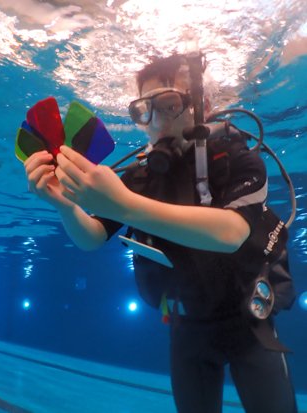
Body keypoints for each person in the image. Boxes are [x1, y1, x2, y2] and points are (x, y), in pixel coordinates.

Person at [24, 52, 297, 413]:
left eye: (169, 104)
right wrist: (64, 205)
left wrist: (123, 204)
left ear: (204, 105)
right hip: (187, 328)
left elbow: (232, 233)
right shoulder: (138, 177)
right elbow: (90, 237)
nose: (156, 122)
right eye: (143, 111)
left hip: (250, 323)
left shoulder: (236, 158)